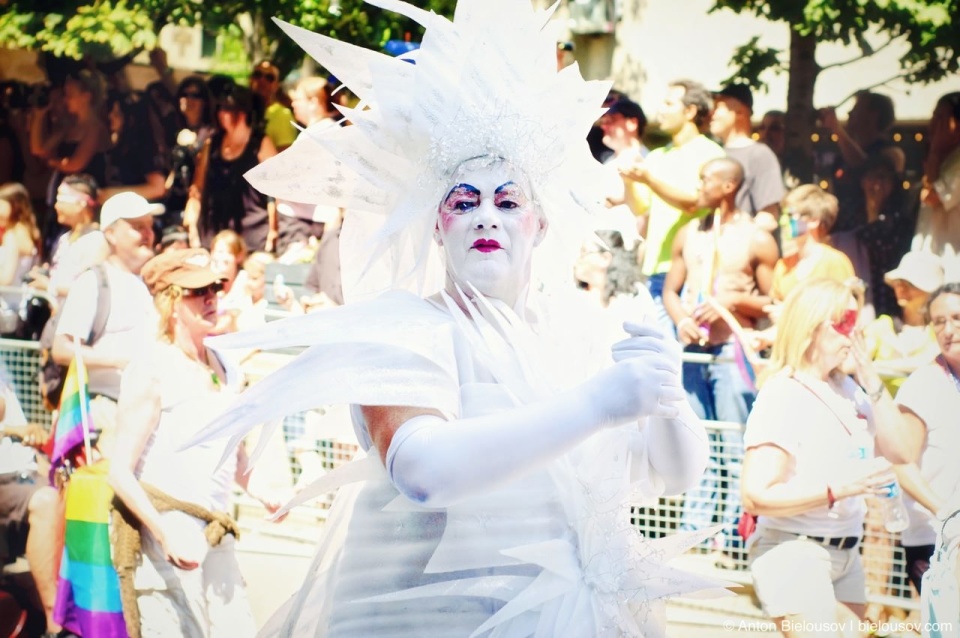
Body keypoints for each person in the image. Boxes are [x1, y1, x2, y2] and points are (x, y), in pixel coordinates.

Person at [187, 1, 719, 634]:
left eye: (507, 199)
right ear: (437, 226)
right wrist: (599, 404)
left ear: (539, 222)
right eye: (463, 201)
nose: (485, 216)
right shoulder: (399, 328)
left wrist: (665, 393)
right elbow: (424, 470)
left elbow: (675, 473)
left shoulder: (580, 333)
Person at [108, 249, 278, 637]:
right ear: (170, 302)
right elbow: (119, 471)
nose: (211, 297)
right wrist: (162, 533)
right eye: (196, 291)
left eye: (215, 287)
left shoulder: (226, 367)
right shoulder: (151, 367)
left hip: (215, 538)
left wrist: (267, 494)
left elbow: (235, 458)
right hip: (166, 534)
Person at [742, 278, 920, 636]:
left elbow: (902, 451)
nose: (853, 335)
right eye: (843, 324)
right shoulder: (784, 393)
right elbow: (756, 495)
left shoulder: (851, 388)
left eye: (856, 323)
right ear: (811, 327)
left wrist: (870, 375)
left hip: (846, 553)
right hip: (795, 549)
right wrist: (840, 488)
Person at [664, 157, 778, 560]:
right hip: (695, 352)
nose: (699, 185)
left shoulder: (757, 238)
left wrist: (732, 300)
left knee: (733, 444)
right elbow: (670, 291)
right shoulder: (689, 232)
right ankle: (693, 534)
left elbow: (774, 302)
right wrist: (679, 321)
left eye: (705, 178)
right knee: (696, 439)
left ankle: (730, 539)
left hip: (733, 352)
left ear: (729, 185)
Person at [52, 192, 158, 457]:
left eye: (149, 226)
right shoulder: (92, 282)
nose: (148, 234)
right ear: (110, 234)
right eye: (137, 227)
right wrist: (119, 360)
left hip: (142, 413)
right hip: (104, 415)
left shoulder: (147, 285)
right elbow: (62, 349)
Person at [619, 79, 725, 334]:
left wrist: (648, 179)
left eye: (669, 103)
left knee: (679, 362)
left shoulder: (711, 155)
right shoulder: (656, 157)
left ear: (689, 111)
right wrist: (628, 181)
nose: (660, 110)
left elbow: (694, 203)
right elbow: (641, 209)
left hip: (690, 274)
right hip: (654, 272)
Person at [893, 282, 960, 595]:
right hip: (935, 539)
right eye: (939, 322)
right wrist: (948, 513)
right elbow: (901, 464)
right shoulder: (922, 386)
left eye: (957, 318)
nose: (949, 329)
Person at [0, 378, 63, 636]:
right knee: (46, 500)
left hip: (24, 471)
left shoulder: (5, 365)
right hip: (6, 480)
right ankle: (56, 624)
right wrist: (15, 429)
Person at [183, 86, 279, 253]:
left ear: (242, 112)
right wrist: (191, 218)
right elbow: (197, 187)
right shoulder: (211, 144)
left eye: (227, 108)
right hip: (214, 231)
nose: (221, 114)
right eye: (219, 108)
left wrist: (274, 228)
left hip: (252, 234)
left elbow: (275, 193)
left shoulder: (261, 144)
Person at [820, 91, 905, 234]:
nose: (849, 113)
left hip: (876, 235)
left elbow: (865, 166)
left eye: (856, 108)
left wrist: (836, 129)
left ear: (873, 115)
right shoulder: (842, 155)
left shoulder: (892, 153)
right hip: (842, 233)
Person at [863, 251, 943, 395]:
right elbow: (856, 363)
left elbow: (931, 361)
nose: (901, 289)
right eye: (898, 283)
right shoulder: (881, 326)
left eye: (910, 284)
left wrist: (876, 366)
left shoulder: (941, 329)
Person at [709, 84, 785, 234]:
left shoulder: (760, 154)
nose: (712, 113)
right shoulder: (712, 152)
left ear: (740, 112)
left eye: (719, 106)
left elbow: (769, 217)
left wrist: (734, 238)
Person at [27, 173, 108, 304]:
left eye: (61, 200)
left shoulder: (95, 240)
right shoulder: (65, 238)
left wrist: (49, 286)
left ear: (81, 204)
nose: (56, 206)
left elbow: (90, 289)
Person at [771, 184, 856, 304]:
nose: (783, 221)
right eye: (783, 215)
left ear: (814, 220)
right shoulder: (783, 266)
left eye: (790, 215)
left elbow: (846, 311)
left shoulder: (835, 262)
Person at [912, 92, 960, 268]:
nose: (933, 125)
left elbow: (931, 197)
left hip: (951, 266)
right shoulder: (946, 159)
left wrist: (935, 152)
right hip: (931, 260)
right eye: (934, 117)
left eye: (941, 118)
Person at [249, 60, 297, 152]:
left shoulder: (283, 115)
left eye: (269, 78)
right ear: (250, 79)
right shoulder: (241, 111)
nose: (262, 80)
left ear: (276, 86)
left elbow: (284, 156)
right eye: (257, 74)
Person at [0, 182, 40, 286]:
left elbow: (6, 279)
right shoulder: (31, 231)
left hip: (7, 298)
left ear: (14, 205)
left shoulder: (12, 236)